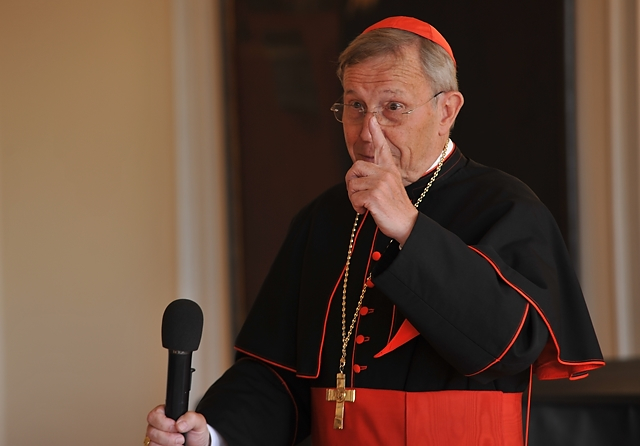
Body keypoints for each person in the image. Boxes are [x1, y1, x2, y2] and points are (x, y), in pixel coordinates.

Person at [145, 16, 604, 446]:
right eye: (355, 106)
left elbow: (507, 347)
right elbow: (275, 375)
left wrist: (407, 226)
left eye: (393, 107)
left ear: (446, 110)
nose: (368, 133)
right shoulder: (321, 218)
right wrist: (211, 434)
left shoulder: (507, 207)